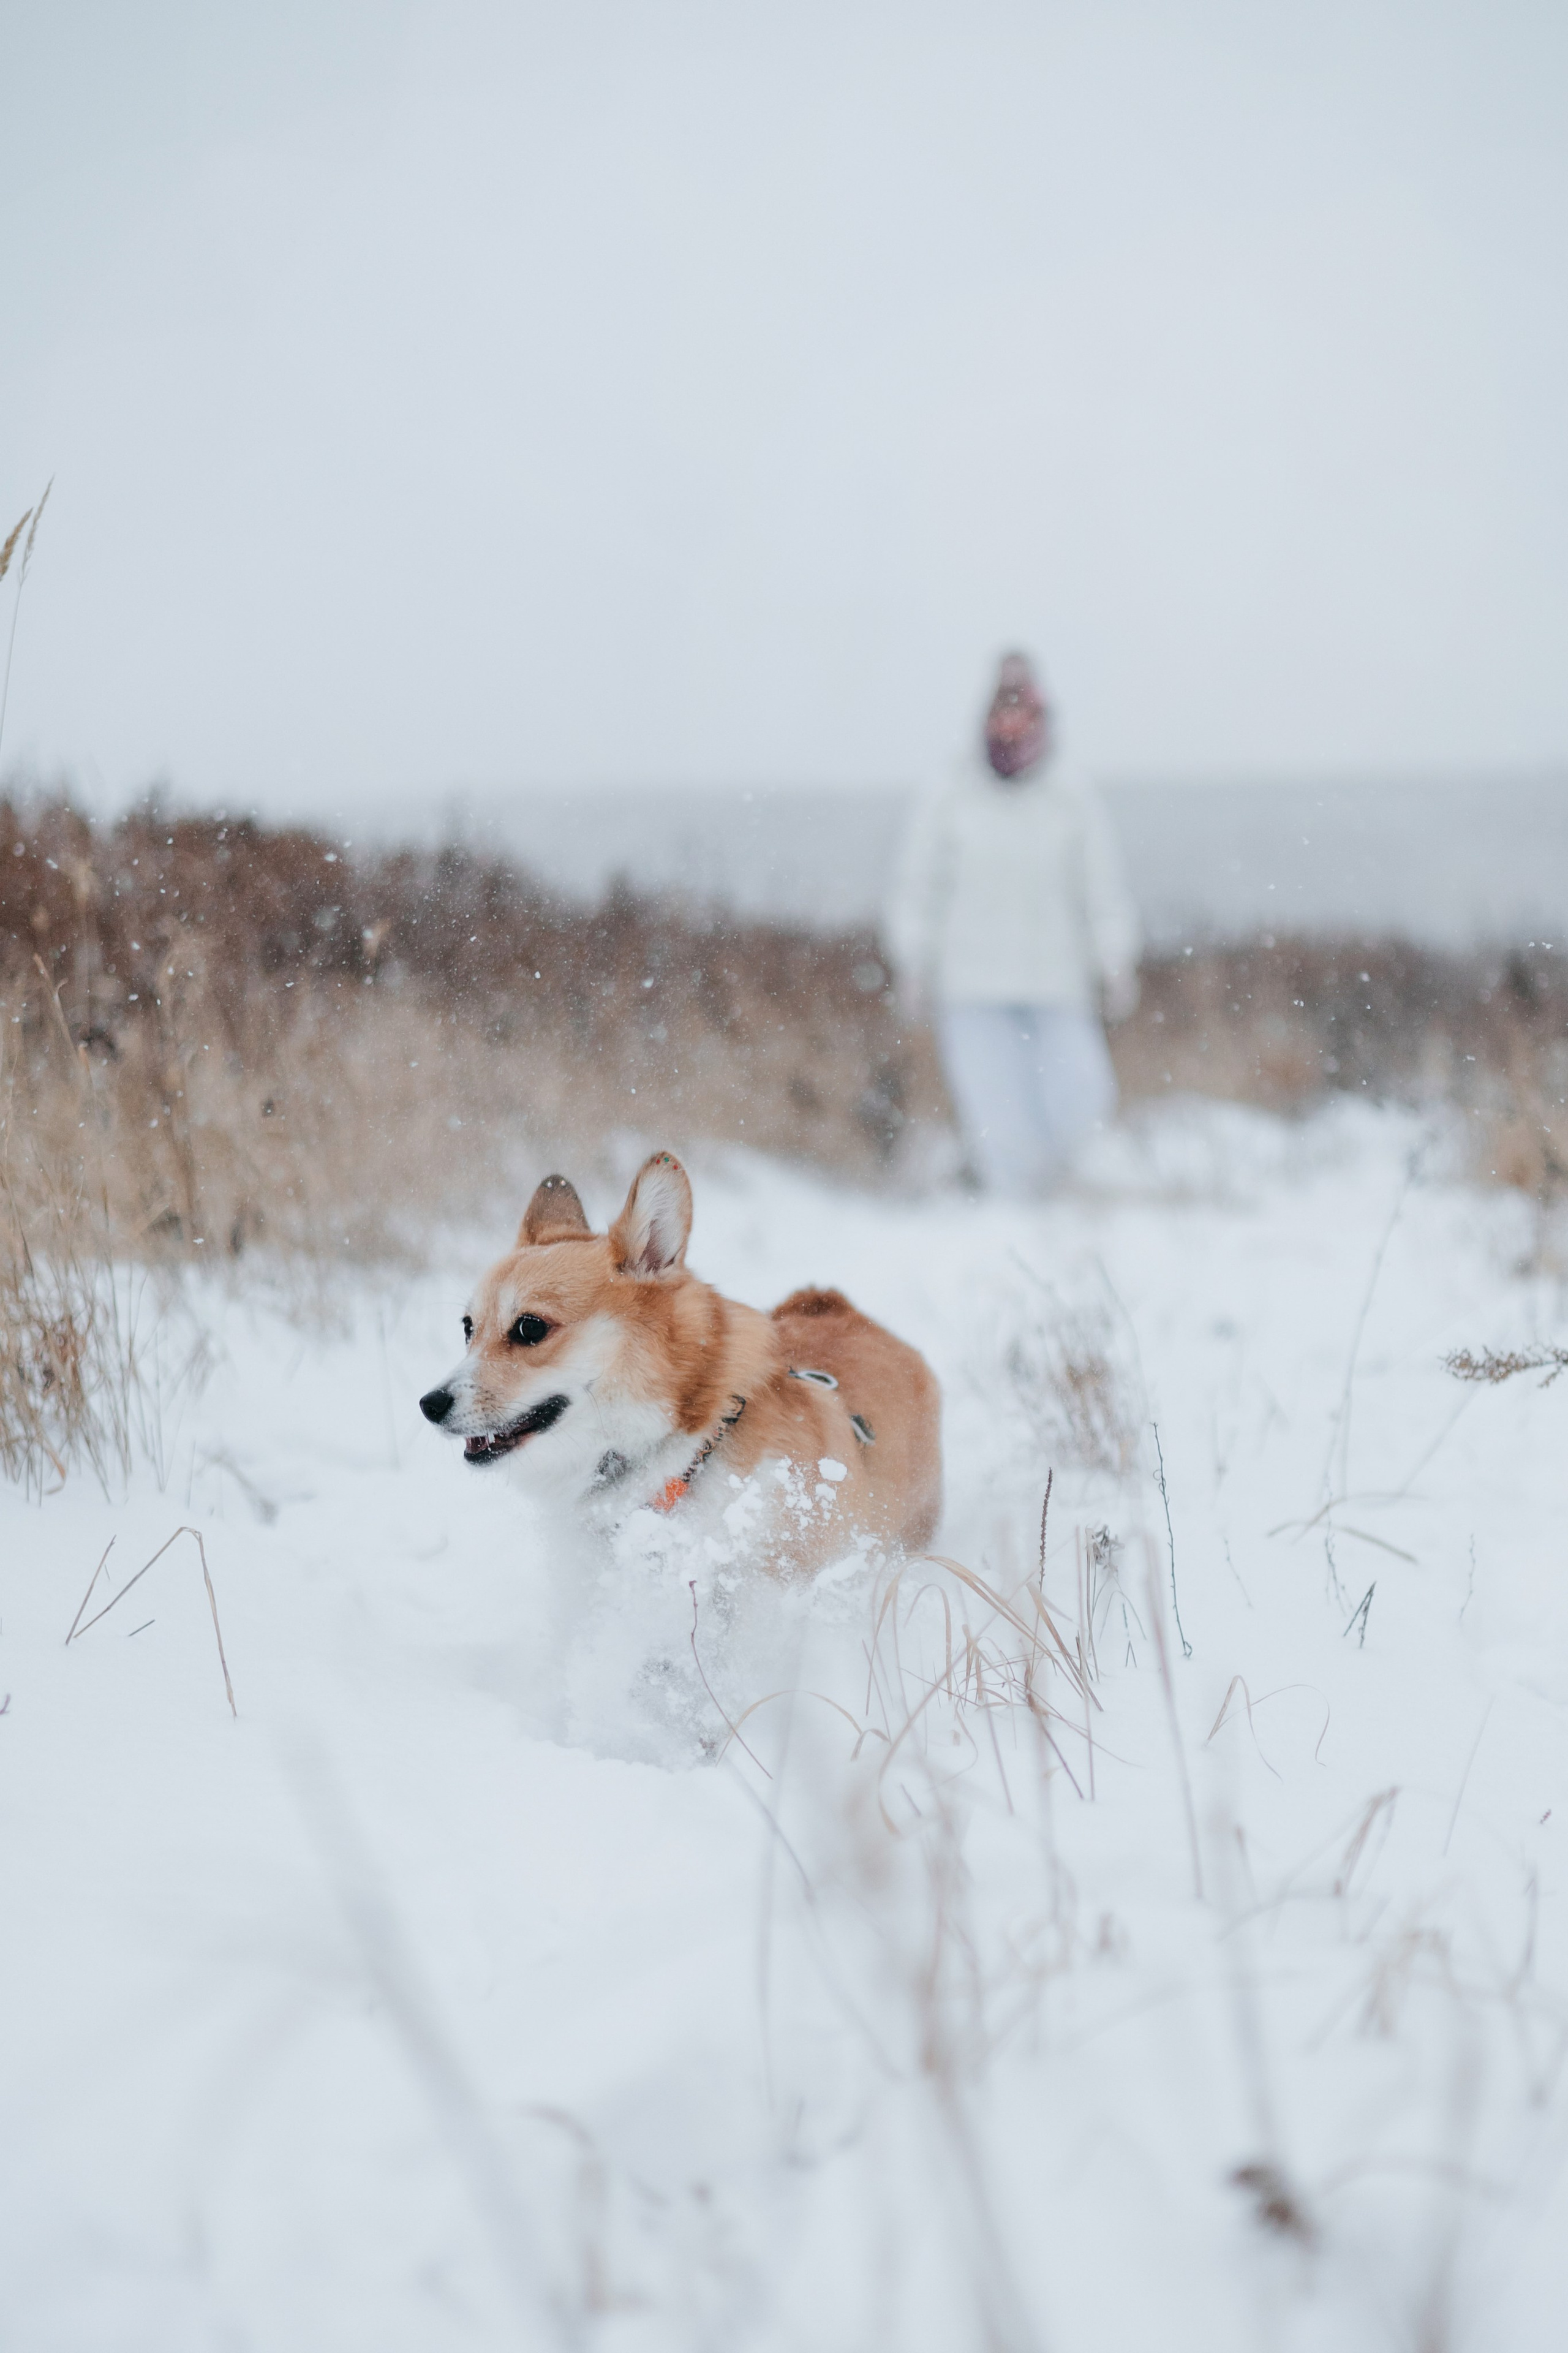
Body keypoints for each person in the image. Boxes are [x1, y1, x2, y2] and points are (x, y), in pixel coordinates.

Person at [886, 652, 1140, 1194]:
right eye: (1002, 714)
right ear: (986, 718)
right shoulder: (948, 794)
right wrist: (913, 962)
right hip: (973, 988)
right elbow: (918, 889)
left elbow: (1103, 890)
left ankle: (1075, 1211)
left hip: (1057, 985)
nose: (1012, 725)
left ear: (1042, 719)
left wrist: (1115, 958)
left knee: (1081, 1103)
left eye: (1023, 714)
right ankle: (1012, 1227)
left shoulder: (1072, 797)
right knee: (1000, 1124)